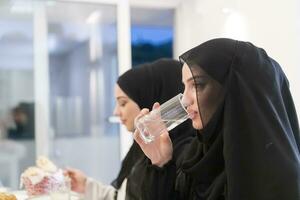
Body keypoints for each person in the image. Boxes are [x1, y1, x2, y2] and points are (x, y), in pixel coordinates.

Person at [134, 38, 300, 199]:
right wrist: (160, 161)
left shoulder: (278, 179)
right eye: (185, 87)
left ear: (235, 91)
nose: (185, 101)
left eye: (197, 85)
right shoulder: (196, 156)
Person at [65, 58, 196, 200]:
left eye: (123, 103)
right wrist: (86, 186)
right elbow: (123, 196)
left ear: (148, 100)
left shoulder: (184, 159)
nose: (116, 112)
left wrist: (161, 165)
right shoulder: (143, 150)